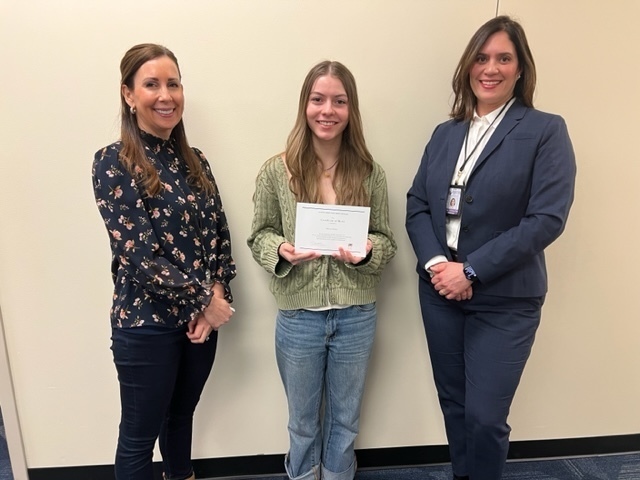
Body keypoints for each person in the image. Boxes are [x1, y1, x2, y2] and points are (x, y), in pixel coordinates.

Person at [405, 16, 576, 480]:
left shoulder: (545, 130)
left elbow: (546, 219)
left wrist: (472, 270)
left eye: (504, 58)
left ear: (521, 69)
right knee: (455, 406)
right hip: (439, 292)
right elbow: (418, 203)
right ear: (468, 66)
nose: (491, 68)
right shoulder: (445, 134)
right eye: (482, 57)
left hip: (505, 298)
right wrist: (440, 265)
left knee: (484, 417)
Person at [92, 43, 236, 480]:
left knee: (180, 419)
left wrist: (216, 294)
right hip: (146, 325)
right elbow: (138, 255)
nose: (165, 95)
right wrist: (202, 303)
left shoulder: (197, 161)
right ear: (128, 94)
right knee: (139, 437)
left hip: (199, 325)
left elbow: (219, 237)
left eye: (173, 83)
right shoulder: (112, 162)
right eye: (151, 84)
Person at [247, 60, 396, 480]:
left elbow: (387, 240)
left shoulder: (370, 173)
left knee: (345, 421)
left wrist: (368, 253)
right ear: (305, 105)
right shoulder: (277, 172)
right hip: (298, 320)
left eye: (339, 101)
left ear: (351, 110)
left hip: (356, 316)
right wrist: (281, 249)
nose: (327, 110)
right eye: (318, 99)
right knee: (301, 423)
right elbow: (258, 235)